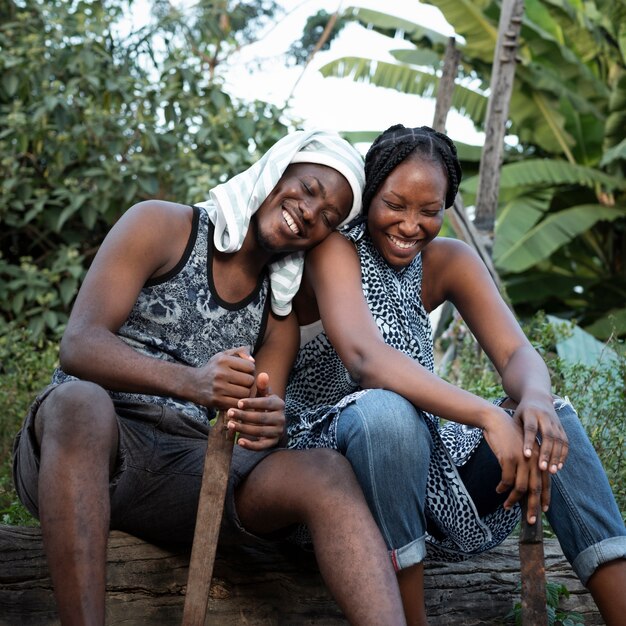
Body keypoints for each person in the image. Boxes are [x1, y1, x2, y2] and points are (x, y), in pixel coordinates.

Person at [11, 129, 407, 626]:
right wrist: (191, 382)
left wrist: (265, 425)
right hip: (86, 446)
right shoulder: (161, 225)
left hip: (186, 471)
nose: (311, 212)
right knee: (79, 404)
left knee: (326, 471)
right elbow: (80, 344)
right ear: (276, 170)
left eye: (329, 218)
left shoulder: (276, 316)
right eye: (308, 189)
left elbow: (251, 437)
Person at [285, 124, 626, 625]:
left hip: (424, 479)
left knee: (550, 424)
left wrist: (532, 400)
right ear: (370, 191)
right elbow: (365, 358)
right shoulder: (333, 250)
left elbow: (516, 354)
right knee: (388, 413)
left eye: (429, 211)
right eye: (395, 205)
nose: (410, 225)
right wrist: (489, 415)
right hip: (331, 473)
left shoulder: (447, 262)